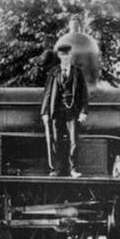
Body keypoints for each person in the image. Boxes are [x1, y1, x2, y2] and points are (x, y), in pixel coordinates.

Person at [41, 42, 89, 177]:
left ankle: (73, 169)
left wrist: (84, 111)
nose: (65, 58)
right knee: (56, 141)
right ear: (59, 56)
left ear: (71, 56)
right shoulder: (54, 72)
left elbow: (84, 93)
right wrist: (44, 112)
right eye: (63, 55)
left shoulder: (77, 72)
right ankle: (56, 169)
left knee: (74, 141)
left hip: (72, 111)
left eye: (67, 55)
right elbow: (48, 93)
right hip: (57, 111)